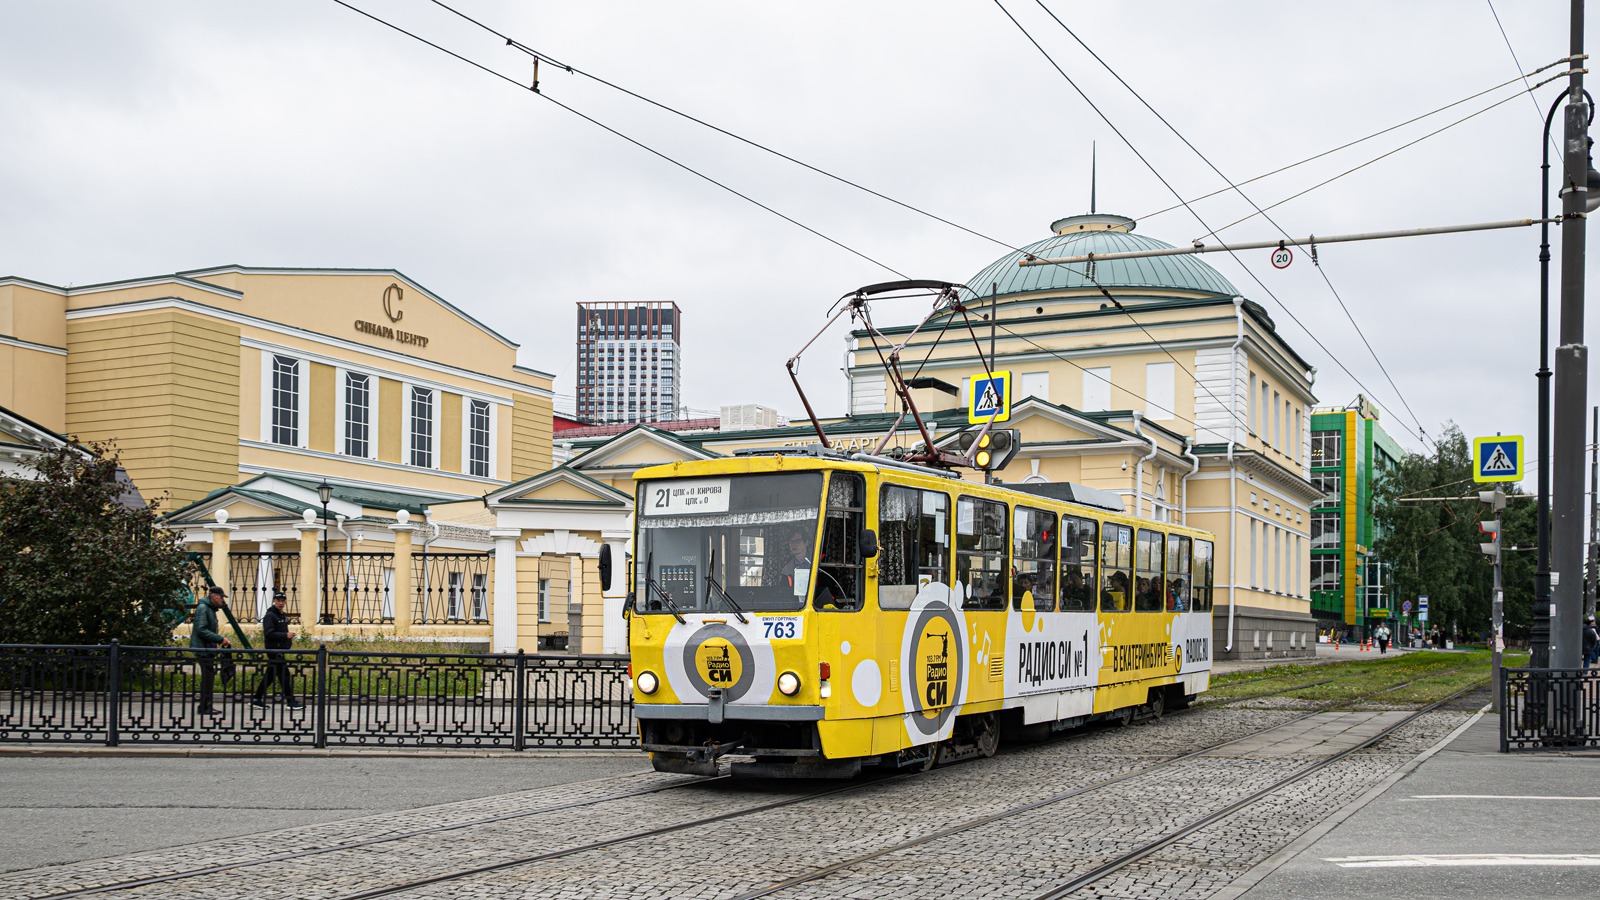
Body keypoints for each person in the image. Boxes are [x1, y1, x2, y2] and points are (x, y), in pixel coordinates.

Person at [252, 592, 303, 710]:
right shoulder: (271, 615)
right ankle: (290, 702)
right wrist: (286, 635)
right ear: (274, 601)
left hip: (279, 650)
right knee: (284, 674)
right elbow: (269, 633)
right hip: (274, 650)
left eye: (283, 601)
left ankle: (257, 699)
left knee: (270, 675)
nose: (280, 603)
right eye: (278, 600)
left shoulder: (280, 615)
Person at [190, 586, 231, 716]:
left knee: (208, 678)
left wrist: (215, 642)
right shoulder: (203, 608)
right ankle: (204, 707)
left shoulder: (209, 609)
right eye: (220, 598)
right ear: (214, 596)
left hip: (207, 648)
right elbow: (201, 629)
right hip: (203, 649)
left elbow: (207, 630)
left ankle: (205, 705)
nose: (222, 601)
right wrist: (219, 638)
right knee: (207, 678)